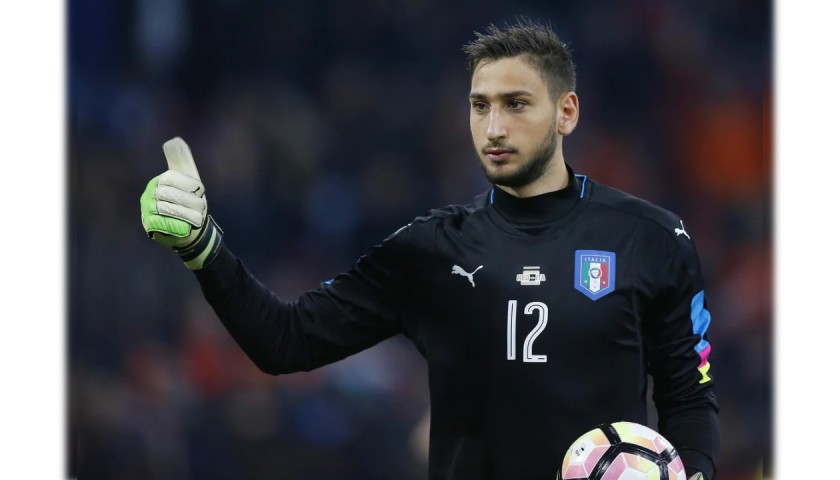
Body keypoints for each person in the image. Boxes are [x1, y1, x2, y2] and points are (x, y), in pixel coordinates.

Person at [139, 17, 719, 480]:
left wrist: (689, 474)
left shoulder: (652, 238)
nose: (493, 127)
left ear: (566, 112)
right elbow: (284, 342)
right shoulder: (431, 249)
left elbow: (690, 398)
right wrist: (204, 248)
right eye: (479, 105)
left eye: (516, 104)